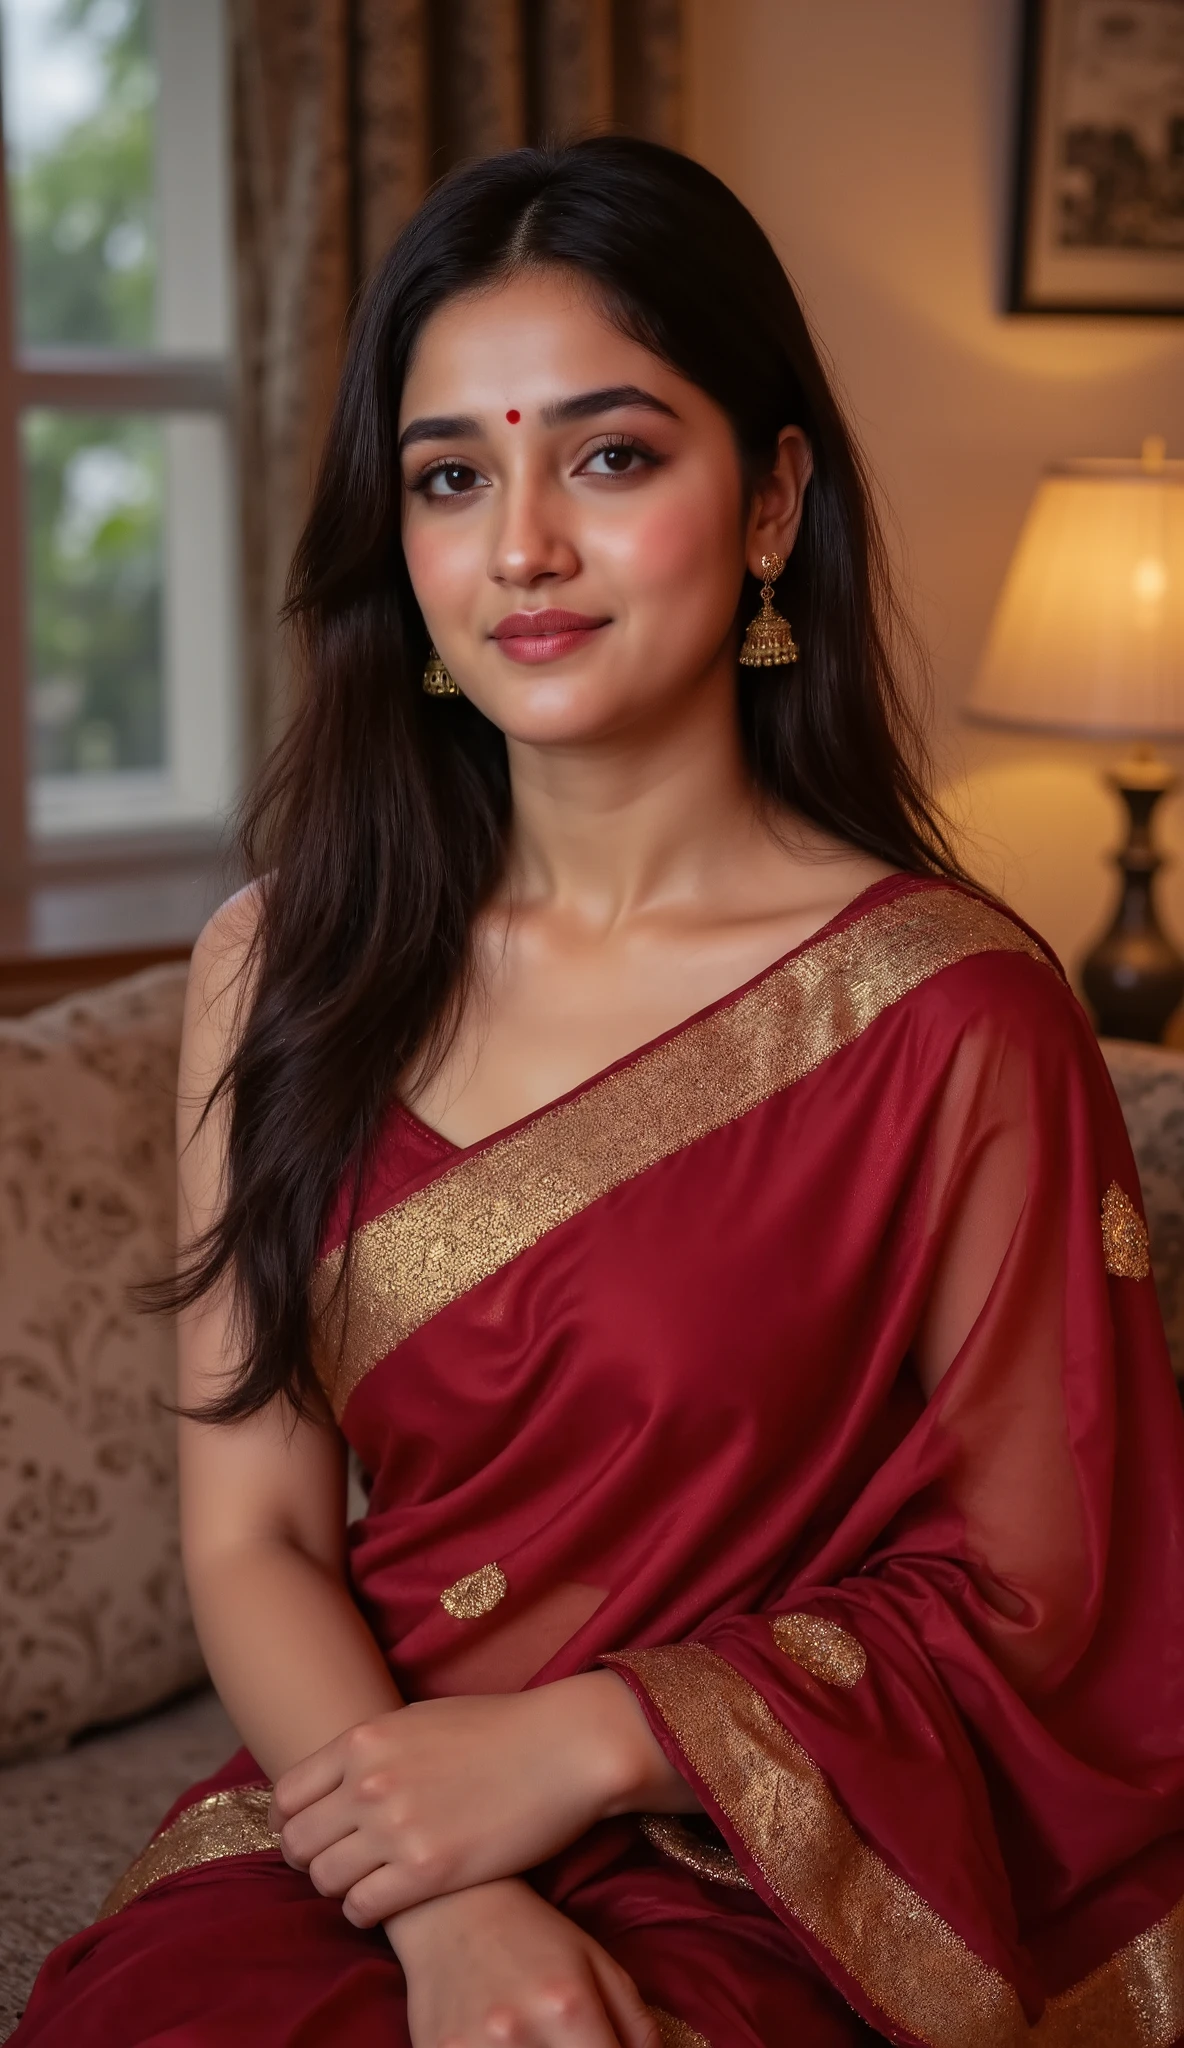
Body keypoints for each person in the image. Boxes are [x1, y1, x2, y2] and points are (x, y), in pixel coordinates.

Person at [13, 136, 1184, 2048]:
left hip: (772, 1861)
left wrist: (592, 1742)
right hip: (364, 1818)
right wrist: (452, 1898)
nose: (523, 548)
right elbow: (260, 1536)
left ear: (773, 498)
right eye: (452, 475)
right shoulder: (284, 963)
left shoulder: (954, 1019)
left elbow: (1053, 1607)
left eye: (612, 456)